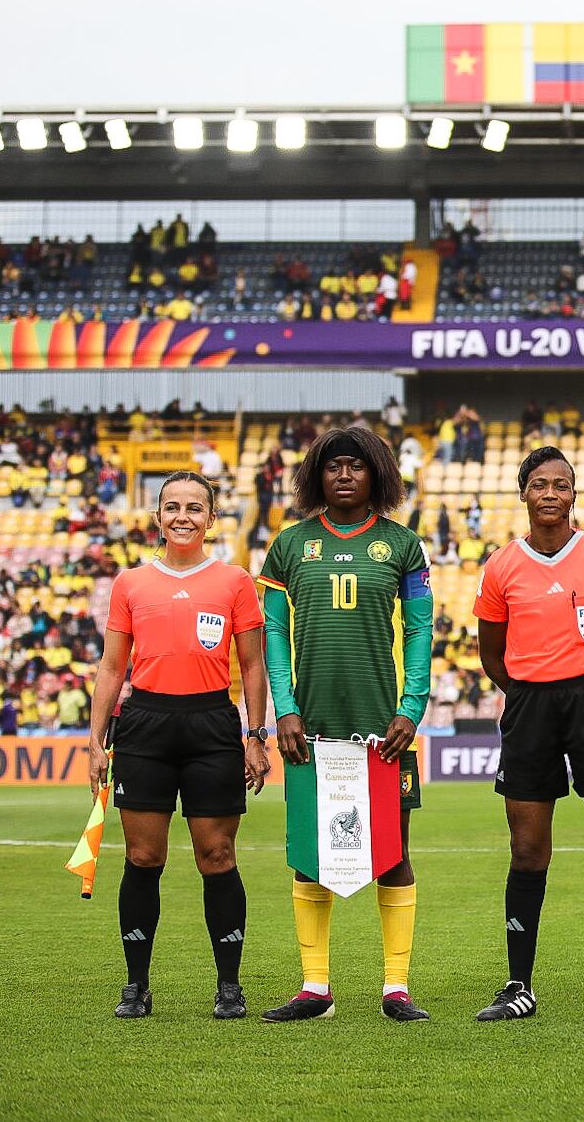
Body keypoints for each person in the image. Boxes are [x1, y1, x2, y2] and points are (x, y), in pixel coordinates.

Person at [257, 426, 435, 1024]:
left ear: (377, 474)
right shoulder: (288, 547)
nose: (343, 475)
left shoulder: (403, 546)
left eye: (355, 466)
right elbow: (274, 635)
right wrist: (284, 707)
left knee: (394, 853)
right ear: (316, 475)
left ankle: (396, 988)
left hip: (383, 728)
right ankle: (315, 987)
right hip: (310, 726)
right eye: (332, 466)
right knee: (309, 855)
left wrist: (411, 708)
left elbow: (418, 632)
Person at [473, 446, 584, 1023]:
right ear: (524, 493)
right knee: (527, 850)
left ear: (574, 494)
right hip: (531, 710)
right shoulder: (501, 565)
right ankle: (518, 985)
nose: (550, 493)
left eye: (561, 485)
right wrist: (527, 692)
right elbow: (491, 654)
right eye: (539, 484)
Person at [85, 472, 269, 1020]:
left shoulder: (235, 580)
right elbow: (113, 666)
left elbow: (253, 665)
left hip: (211, 723)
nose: (182, 516)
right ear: (157, 516)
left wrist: (254, 735)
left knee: (218, 856)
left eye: (195, 507)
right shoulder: (130, 583)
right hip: (145, 724)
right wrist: (96, 740)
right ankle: (136, 986)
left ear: (212, 518)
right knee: (144, 856)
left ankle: (229, 987)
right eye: (172, 507)